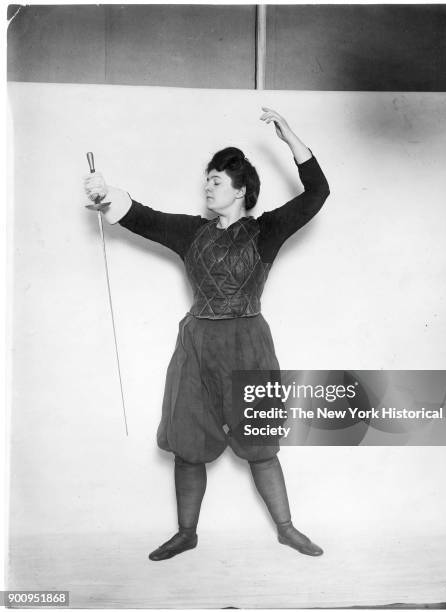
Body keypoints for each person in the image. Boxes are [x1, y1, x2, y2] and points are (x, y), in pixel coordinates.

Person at [84, 107, 330, 561]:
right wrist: (106, 193)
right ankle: (186, 533)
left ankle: (287, 528)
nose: (208, 186)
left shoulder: (267, 231)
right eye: (208, 179)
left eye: (217, 180)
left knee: (260, 445)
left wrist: (291, 137)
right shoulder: (190, 232)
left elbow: (317, 192)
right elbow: (141, 215)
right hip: (196, 347)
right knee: (188, 442)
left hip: (248, 347)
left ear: (241, 190)